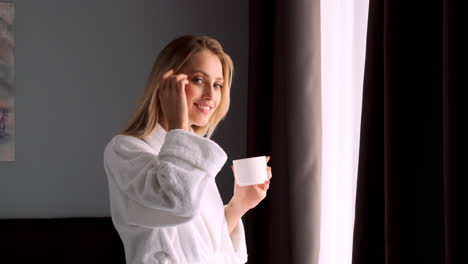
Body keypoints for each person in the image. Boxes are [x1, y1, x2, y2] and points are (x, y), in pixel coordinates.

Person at [103, 35, 272, 264]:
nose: (211, 95)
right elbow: (177, 204)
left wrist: (238, 205)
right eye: (199, 80)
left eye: (217, 85)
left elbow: (207, 249)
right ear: (167, 83)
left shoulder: (189, 155)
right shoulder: (125, 151)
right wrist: (179, 125)